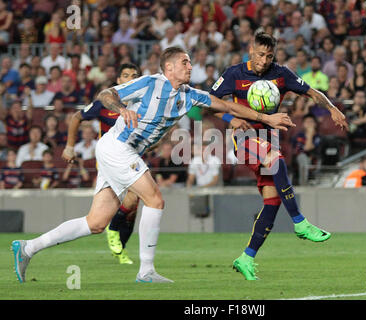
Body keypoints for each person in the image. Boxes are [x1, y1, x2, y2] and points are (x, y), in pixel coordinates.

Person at [12, 46, 294, 284]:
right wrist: (121, 108)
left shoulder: (189, 95)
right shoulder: (150, 83)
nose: (190, 65)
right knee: (155, 199)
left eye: (189, 61)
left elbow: (228, 107)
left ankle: (28, 247)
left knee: (96, 223)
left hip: (122, 152)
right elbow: (105, 94)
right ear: (169, 67)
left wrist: (268, 119)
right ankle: (146, 271)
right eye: (184, 62)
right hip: (117, 147)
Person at [210, 32, 348, 280]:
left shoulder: (281, 74)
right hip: (245, 140)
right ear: (251, 50)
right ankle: (300, 222)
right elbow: (209, 103)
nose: (264, 61)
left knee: (272, 203)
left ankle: (246, 258)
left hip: (268, 139)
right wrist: (232, 118)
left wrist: (332, 107)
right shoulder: (234, 73)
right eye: (260, 55)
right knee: (275, 159)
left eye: (269, 56)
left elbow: (312, 92)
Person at [62, 63, 141, 265]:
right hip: (110, 160)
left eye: (134, 75)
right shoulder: (106, 102)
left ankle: (120, 248)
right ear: (118, 81)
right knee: (133, 198)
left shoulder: (143, 102)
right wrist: (70, 147)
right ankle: (113, 228)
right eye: (125, 75)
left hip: (131, 156)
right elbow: (76, 117)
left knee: (132, 209)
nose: (130, 79)